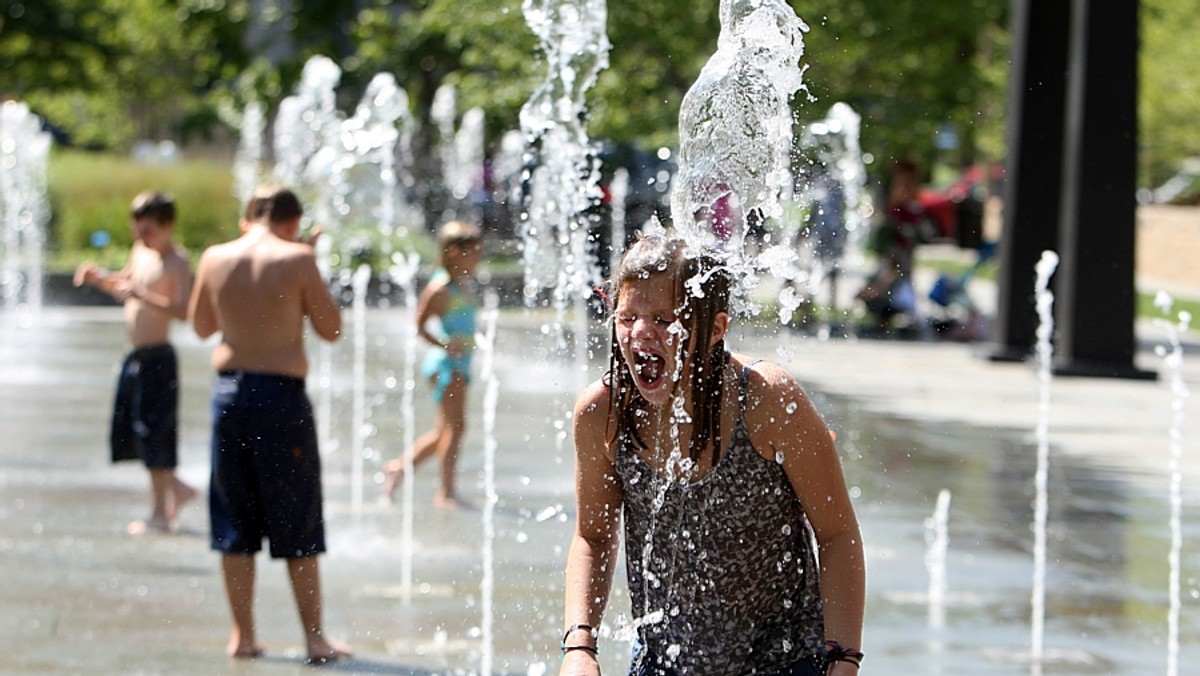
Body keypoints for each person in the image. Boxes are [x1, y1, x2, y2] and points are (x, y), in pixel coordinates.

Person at [560, 234, 866, 675]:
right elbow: (593, 536)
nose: (642, 333)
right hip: (664, 659)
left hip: (785, 658)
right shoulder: (603, 413)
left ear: (716, 328)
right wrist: (580, 646)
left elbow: (837, 534)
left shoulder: (766, 401)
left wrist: (844, 658)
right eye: (627, 317)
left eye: (664, 319)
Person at [188, 184, 351, 663]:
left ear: (247, 219)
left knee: (233, 518)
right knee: (296, 515)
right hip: (280, 399)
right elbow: (331, 329)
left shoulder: (215, 256)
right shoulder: (297, 258)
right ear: (294, 222)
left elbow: (200, 327)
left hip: (230, 395)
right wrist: (308, 266)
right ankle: (315, 639)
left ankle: (243, 636)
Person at [74, 191, 197, 535]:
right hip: (135, 355)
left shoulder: (177, 261)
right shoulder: (140, 252)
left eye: (149, 231)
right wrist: (99, 278)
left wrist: (143, 295)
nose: (141, 237)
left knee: (156, 433)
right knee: (134, 431)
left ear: (167, 226)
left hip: (159, 357)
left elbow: (184, 310)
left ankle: (161, 513)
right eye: (138, 230)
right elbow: (124, 285)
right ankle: (178, 490)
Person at [381, 220, 484, 508]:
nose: (477, 258)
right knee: (456, 427)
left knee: (445, 430)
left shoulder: (461, 283)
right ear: (453, 252)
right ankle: (446, 492)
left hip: (459, 364)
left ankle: (399, 467)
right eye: (472, 252)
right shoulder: (441, 287)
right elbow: (419, 324)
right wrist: (444, 345)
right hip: (446, 366)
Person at [855, 158, 934, 336]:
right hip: (897, 246)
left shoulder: (907, 195)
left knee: (897, 278)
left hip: (902, 247)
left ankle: (890, 311)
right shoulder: (901, 196)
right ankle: (885, 311)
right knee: (893, 278)